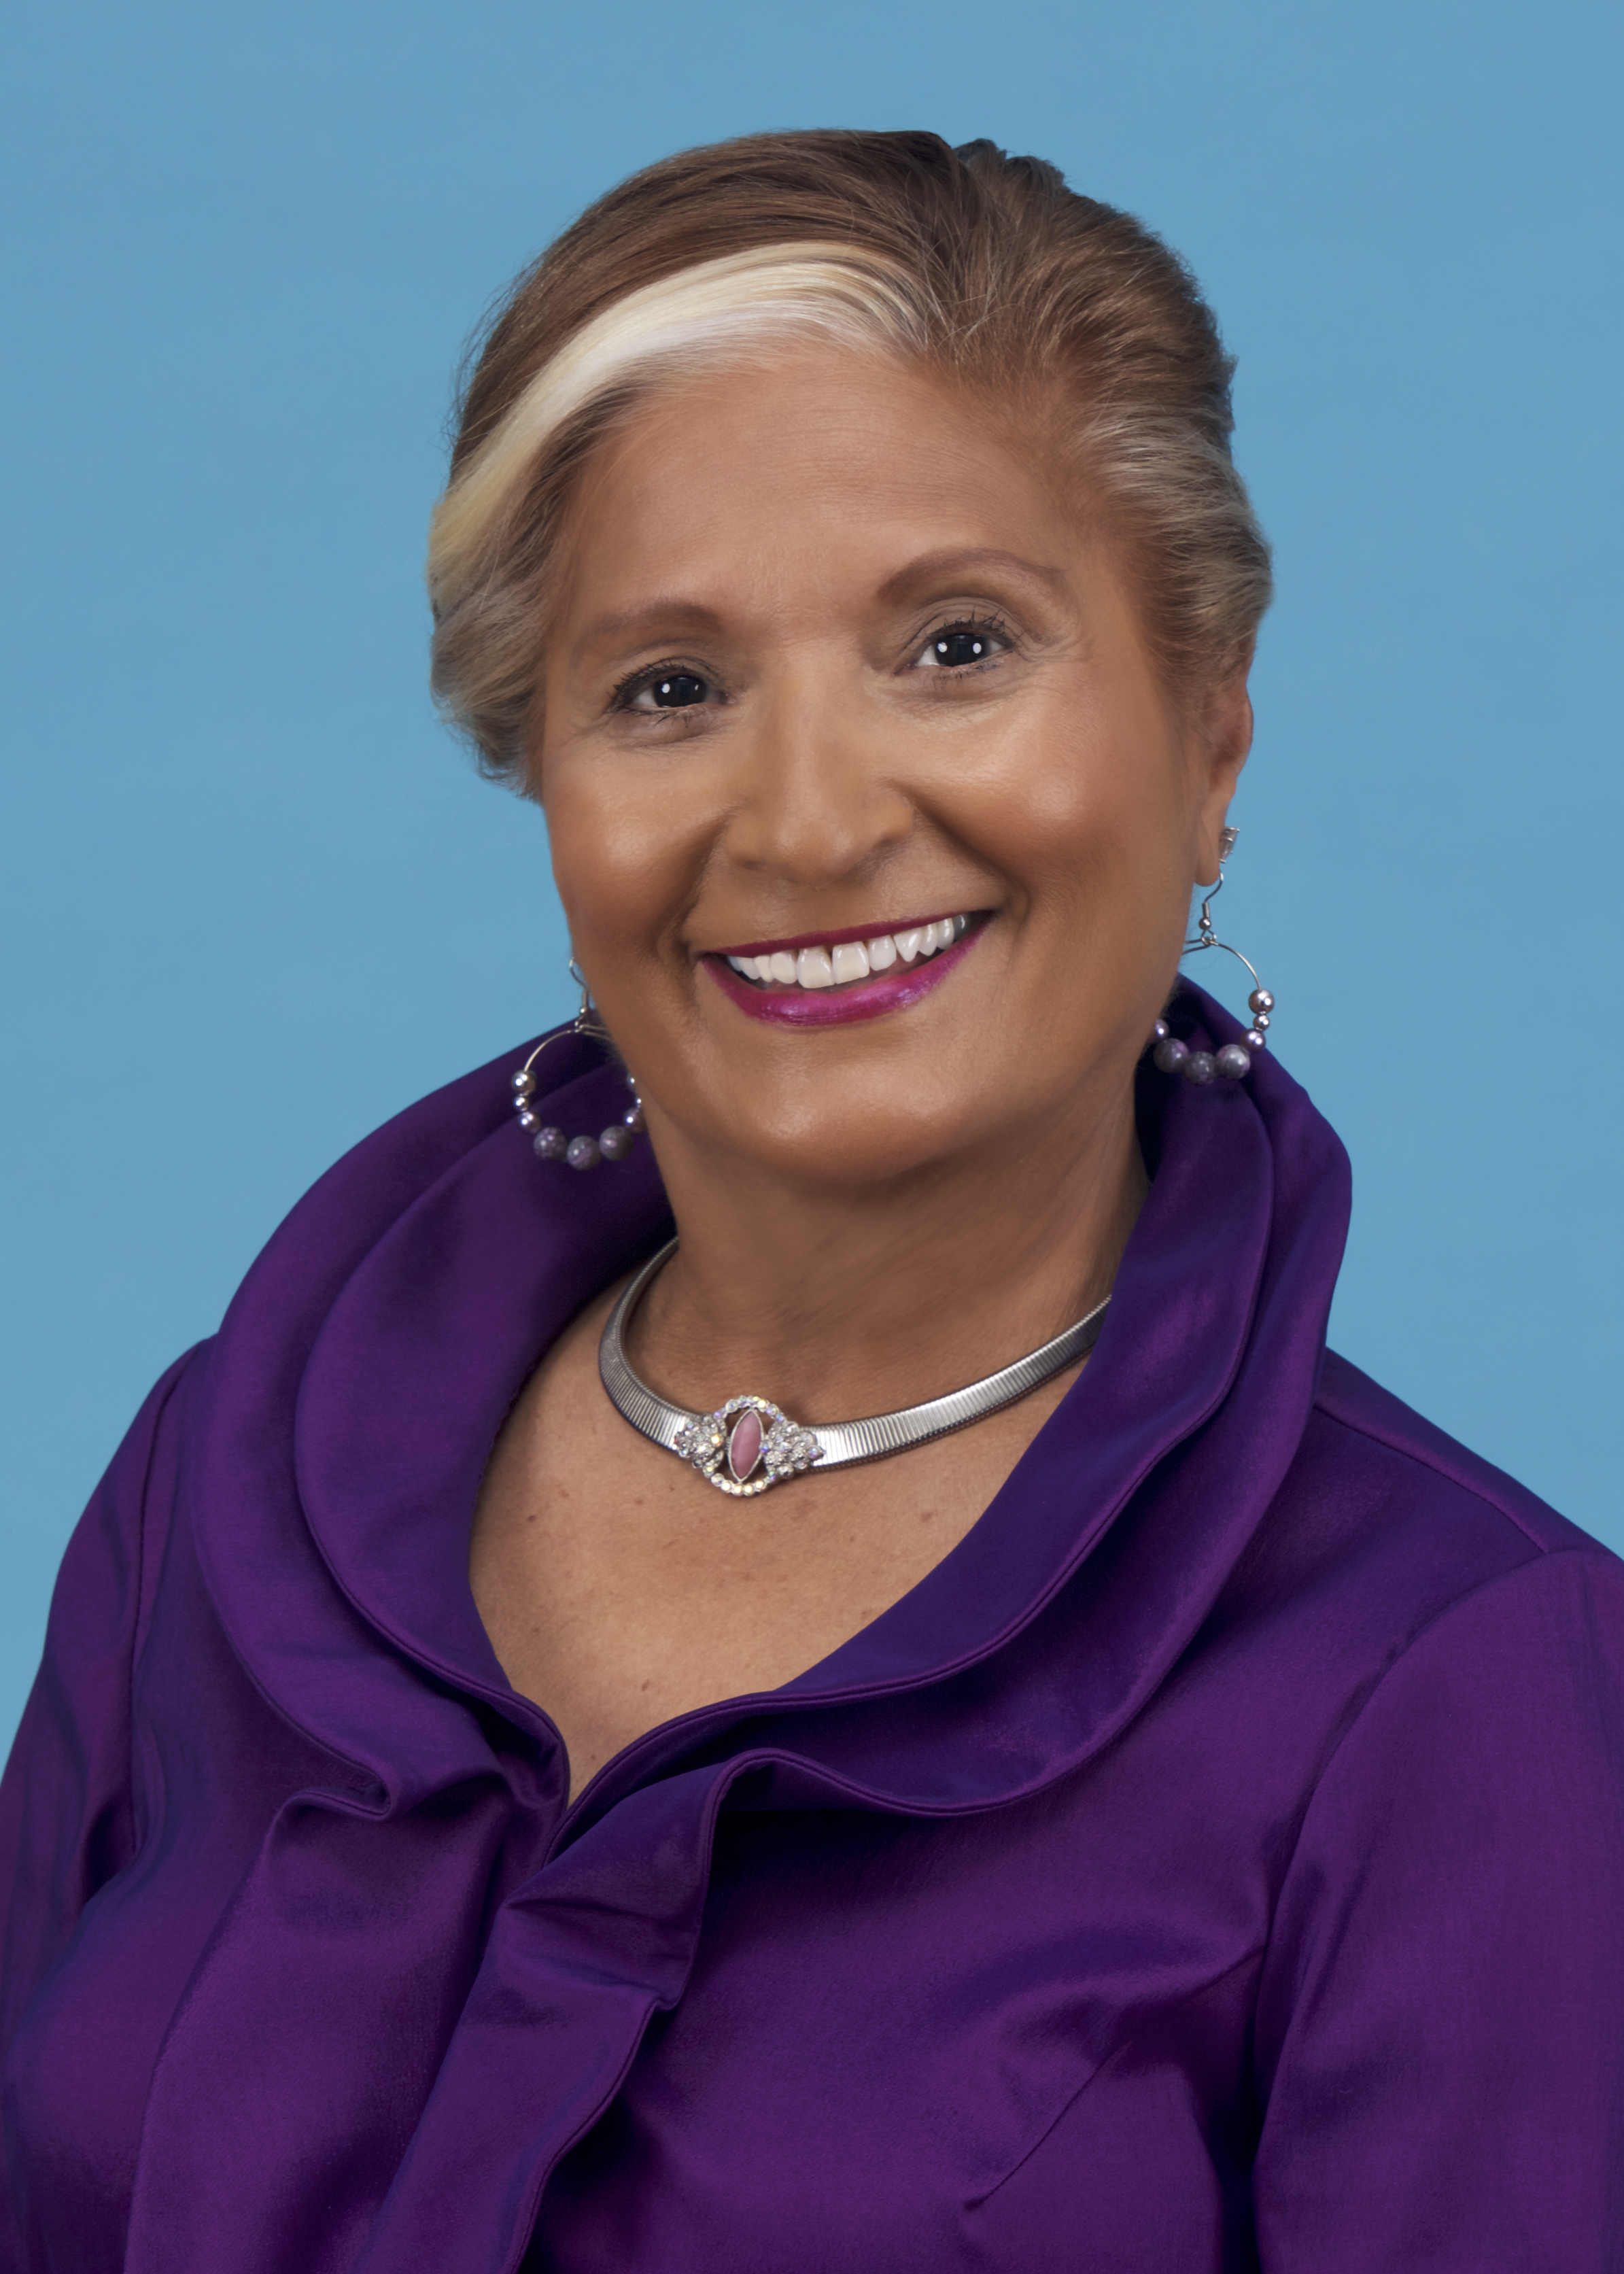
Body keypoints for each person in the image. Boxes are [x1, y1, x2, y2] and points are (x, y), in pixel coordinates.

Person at [2, 128, 1621, 2274]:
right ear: (549, 777)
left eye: (956, 646)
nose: (807, 816)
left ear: (1209, 740)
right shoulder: (226, 1487)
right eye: (668, 687)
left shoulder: (1470, 1687)